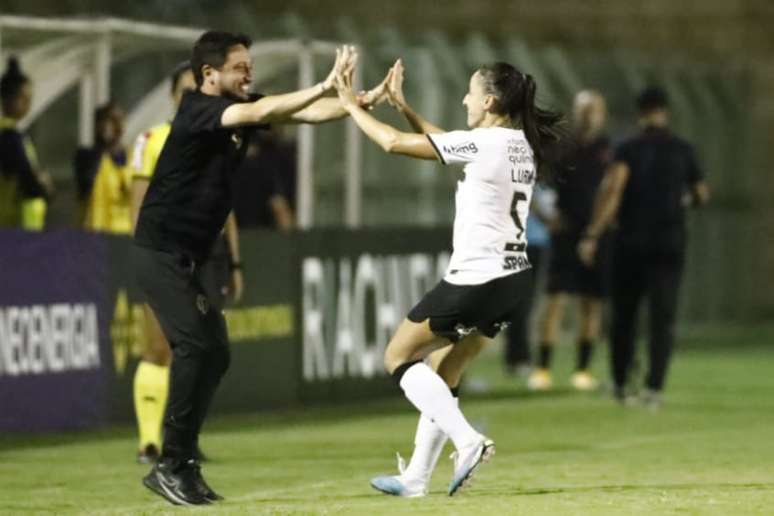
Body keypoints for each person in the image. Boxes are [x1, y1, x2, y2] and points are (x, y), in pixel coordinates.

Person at [134, 33, 385, 506]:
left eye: (250, 65)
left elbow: (304, 113)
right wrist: (324, 83)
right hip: (159, 253)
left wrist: (356, 101)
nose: (249, 74)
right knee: (193, 345)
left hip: (189, 257)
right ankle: (171, 463)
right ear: (208, 75)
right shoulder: (199, 110)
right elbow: (260, 113)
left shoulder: (239, 105)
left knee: (216, 352)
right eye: (239, 67)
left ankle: (181, 461)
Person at [334, 58, 566, 496]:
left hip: (478, 277)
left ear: (489, 100)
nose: (464, 98)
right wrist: (402, 104)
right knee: (443, 369)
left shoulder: (486, 144)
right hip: (514, 279)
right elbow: (446, 144)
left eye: (470, 91)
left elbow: (392, 144)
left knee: (397, 358)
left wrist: (351, 106)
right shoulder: (515, 143)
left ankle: (468, 439)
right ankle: (416, 478)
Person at [129, 62, 244, 465]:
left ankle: (183, 439)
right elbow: (139, 203)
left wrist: (235, 261)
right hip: (164, 254)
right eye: (183, 91)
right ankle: (149, 443)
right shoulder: (153, 139)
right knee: (159, 347)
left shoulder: (219, 138)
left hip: (206, 257)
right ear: (173, 96)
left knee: (203, 350)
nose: (191, 97)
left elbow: (224, 206)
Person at [578, 86, 710, 409]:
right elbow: (702, 194)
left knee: (624, 317)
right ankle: (654, 387)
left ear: (640, 113)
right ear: (665, 111)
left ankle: (622, 384)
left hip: (631, 244)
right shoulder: (683, 149)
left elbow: (614, 191)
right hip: (670, 244)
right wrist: (685, 199)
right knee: (662, 319)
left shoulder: (628, 148)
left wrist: (593, 233)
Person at [529, 90, 612, 391]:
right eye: (584, 109)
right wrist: (546, 218)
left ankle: (583, 369)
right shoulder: (563, 147)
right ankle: (542, 368)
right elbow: (531, 180)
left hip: (596, 234)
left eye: (594, 109)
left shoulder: (609, 149)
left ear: (602, 113)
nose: (589, 114)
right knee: (555, 300)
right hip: (565, 233)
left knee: (592, 303)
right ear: (577, 112)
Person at [503, 183, 555, 376]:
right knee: (520, 303)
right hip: (524, 244)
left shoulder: (540, 183)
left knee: (525, 303)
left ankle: (518, 358)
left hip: (537, 244)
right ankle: (518, 358)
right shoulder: (523, 176)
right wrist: (549, 219)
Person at [0, 56, 54, 229]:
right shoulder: (10, 138)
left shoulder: (14, 135)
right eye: (23, 98)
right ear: (8, 100)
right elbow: (29, 183)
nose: (28, 104)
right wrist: (44, 184)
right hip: (16, 228)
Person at [75, 102, 132, 233]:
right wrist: (104, 147)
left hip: (124, 235)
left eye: (120, 119)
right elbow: (85, 186)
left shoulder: (132, 156)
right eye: (112, 120)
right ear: (98, 125)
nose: (117, 125)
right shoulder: (86, 156)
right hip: (94, 233)